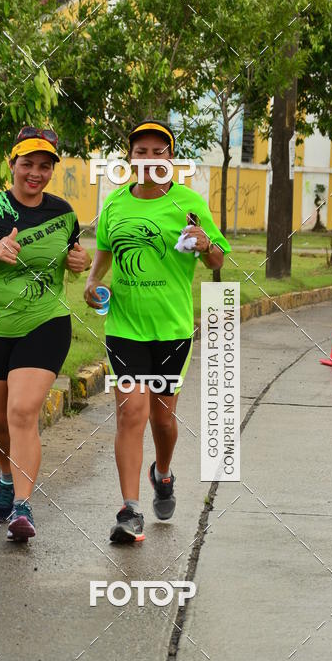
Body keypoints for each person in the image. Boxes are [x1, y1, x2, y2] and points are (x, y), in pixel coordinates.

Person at [84, 119, 231, 544]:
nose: (149, 159)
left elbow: (217, 261)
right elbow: (105, 254)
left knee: (162, 419)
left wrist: (206, 244)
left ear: (170, 158)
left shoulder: (188, 203)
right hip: (125, 327)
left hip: (171, 329)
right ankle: (129, 511)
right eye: (140, 151)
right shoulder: (114, 205)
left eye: (158, 151)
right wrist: (93, 283)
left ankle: (162, 474)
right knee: (132, 412)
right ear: (130, 158)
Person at [0, 127, 91, 542]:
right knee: (0, 420)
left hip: (45, 323)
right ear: (12, 165)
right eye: (27, 164)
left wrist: (79, 262)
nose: (36, 173)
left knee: (23, 412)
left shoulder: (63, 213)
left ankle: (23, 508)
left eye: (45, 166)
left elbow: (73, 257)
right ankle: (6, 477)